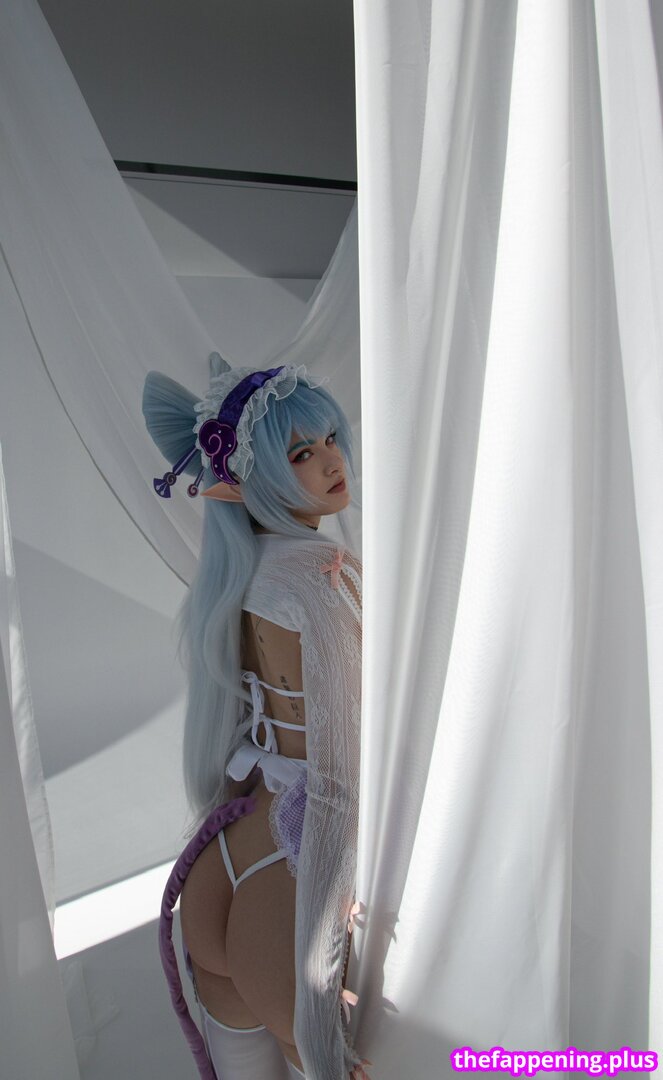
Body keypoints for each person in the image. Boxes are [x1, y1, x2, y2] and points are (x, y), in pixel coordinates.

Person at [142, 355, 371, 1080]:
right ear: (257, 474)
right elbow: (338, 767)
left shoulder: (237, 574)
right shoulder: (321, 575)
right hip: (292, 870)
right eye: (301, 453)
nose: (332, 461)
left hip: (227, 860)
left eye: (330, 439)